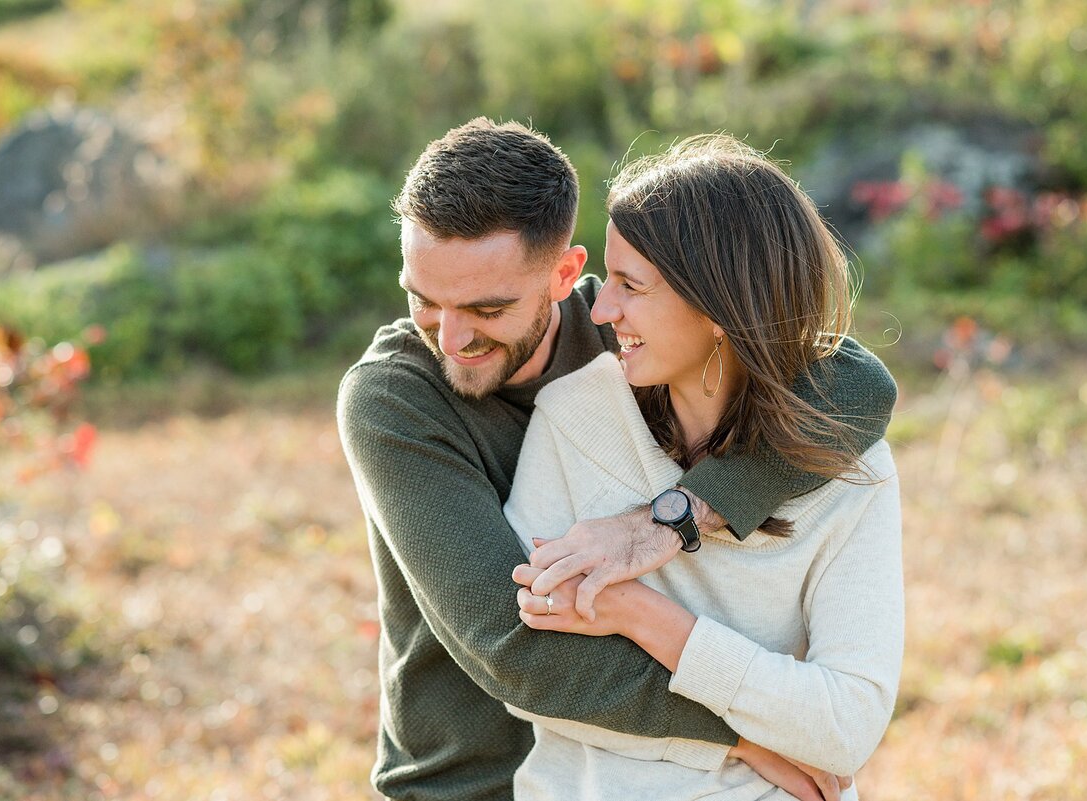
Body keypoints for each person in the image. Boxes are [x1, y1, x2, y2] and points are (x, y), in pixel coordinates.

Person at [336, 118, 898, 801]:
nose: (450, 338)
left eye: (486, 307)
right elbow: (512, 645)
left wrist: (671, 518)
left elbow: (860, 383)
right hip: (471, 778)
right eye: (424, 300)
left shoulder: (628, 338)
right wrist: (748, 734)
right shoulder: (394, 396)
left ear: (565, 274)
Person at [503, 134, 904, 800]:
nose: (601, 310)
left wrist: (636, 610)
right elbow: (529, 668)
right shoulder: (575, 418)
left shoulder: (848, 466)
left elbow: (845, 726)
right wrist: (746, 733)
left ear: (720, 306)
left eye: (631, 286)